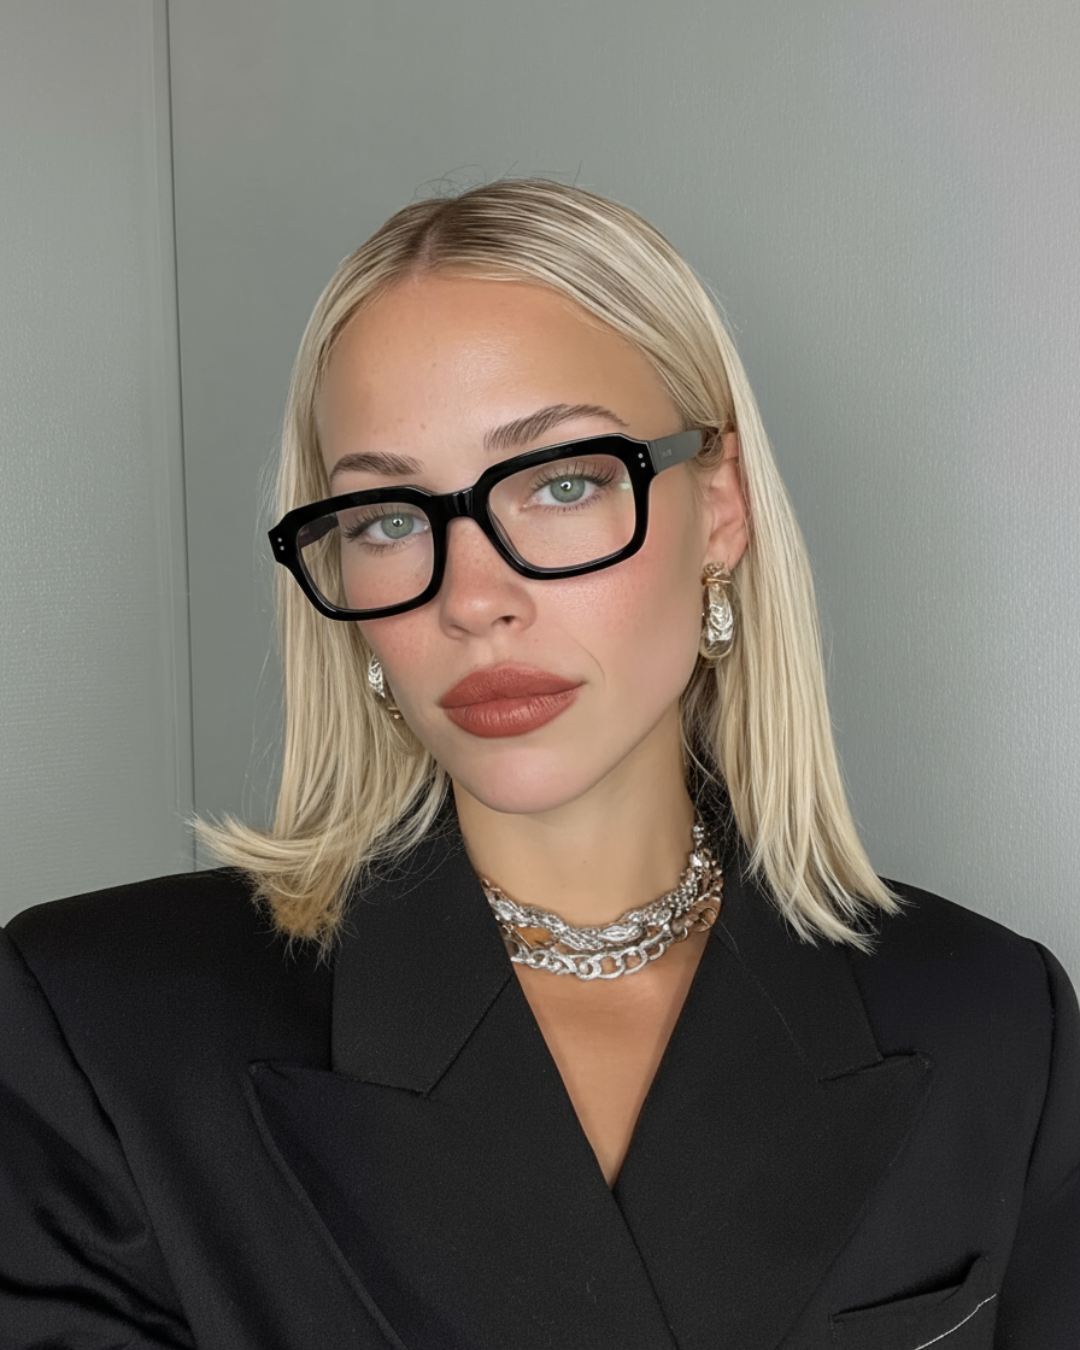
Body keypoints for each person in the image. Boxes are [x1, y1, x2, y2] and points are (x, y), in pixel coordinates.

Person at [1, 180, 1076, 1350]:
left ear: (720, 506)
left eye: (562, 482)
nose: (473, 599)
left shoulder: (991, 1018)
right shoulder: (96, 1027)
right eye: (387, 518)